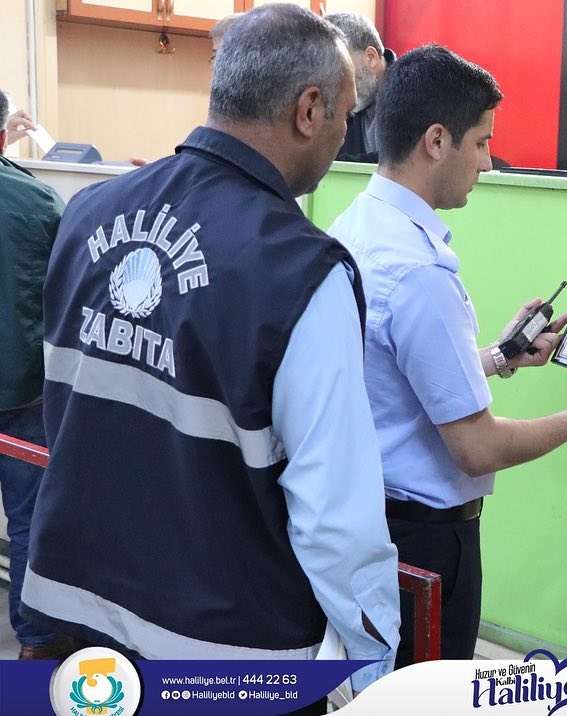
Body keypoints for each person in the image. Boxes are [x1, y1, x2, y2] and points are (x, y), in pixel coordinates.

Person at [21, 4, 398, 703]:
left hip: (80, 611)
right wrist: (373, 659)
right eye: (346, 115)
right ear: (308, 110)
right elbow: (335, 518)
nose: (346, 134)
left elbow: (69, 410)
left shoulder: (88, 213)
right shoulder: (302, 272)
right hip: (224, 648)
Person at [329, 44, 567, 666]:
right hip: (423, 540)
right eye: (480, 143)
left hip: (369, 524)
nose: (487, 161)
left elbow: (392, 377)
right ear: (436, 141)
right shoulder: (420, 273)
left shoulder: (357, 226)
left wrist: (501, 356)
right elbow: (477, 448)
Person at [0, 91, 72, 661]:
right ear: (5, 134)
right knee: (28, 518)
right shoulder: (40, 201)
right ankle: (37, 643)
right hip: (21, 389)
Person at [325, 11, 394, 163]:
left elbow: (406, 160)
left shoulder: (415, 94)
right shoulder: (339, 104)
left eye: (341, 66)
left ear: (371, 57)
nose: (335, 79)